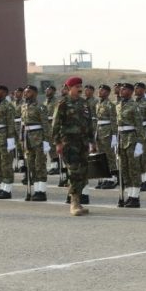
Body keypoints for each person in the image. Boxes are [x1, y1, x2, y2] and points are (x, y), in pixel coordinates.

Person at [52, 77, 95, 215]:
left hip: (83, 143)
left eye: (80, 86)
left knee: (83, 173)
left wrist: (92, 142)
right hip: (69, 142)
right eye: (77, 86)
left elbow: (89, 124)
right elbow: (56, 124)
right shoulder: (63, 103)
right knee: (74, 172)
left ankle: (79, 201)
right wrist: (58, 143)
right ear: (69, 88)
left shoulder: (84, 103)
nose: (80, 89)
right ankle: (74, 203)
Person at [115, 83, 146, 207]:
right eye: (121, 89)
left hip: (132, 138)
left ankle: (135, 197)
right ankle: (129, 195)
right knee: (124, 169)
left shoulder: (135, 106)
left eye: (125, 89)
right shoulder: (118, 105)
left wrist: (139, 143)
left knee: (134, 169)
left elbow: (139, 126)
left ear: (131, 91)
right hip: (121, 138)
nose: (122, 91)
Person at [21, 85, 51, 201]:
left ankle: (41, 191)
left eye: (28, 92)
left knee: (40, 165)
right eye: (25, 92)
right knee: (31, 165)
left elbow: (45, 125)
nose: (25, 94)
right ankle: (35, 190)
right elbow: (23, 124)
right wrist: (21, 139)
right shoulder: (23, 106)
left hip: (38, 138)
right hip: (27, 138)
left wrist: (46, 141)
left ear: (34, 93)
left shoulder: (40, 107)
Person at [94, 84, 118, 189]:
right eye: (99, 90)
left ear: (108, 93)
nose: (100, 92)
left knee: (109, 156)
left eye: (103, 91)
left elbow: (114, 121)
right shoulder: (98, 104)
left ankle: (112, 178)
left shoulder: (110, 105)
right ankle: (104, 177)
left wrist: (114, 135)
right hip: (99, 132)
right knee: (101, 156)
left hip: (108, 132)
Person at [44, 85, 60, 175]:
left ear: (53, 91)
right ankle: (53, 166)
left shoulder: (56, 102)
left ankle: (57, 166)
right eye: (46, 90)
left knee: (54, 146)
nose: (47, 91)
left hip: (53, 125)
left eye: (49, 90)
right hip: (47, 126)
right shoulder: (45, 102)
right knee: (50, 147)